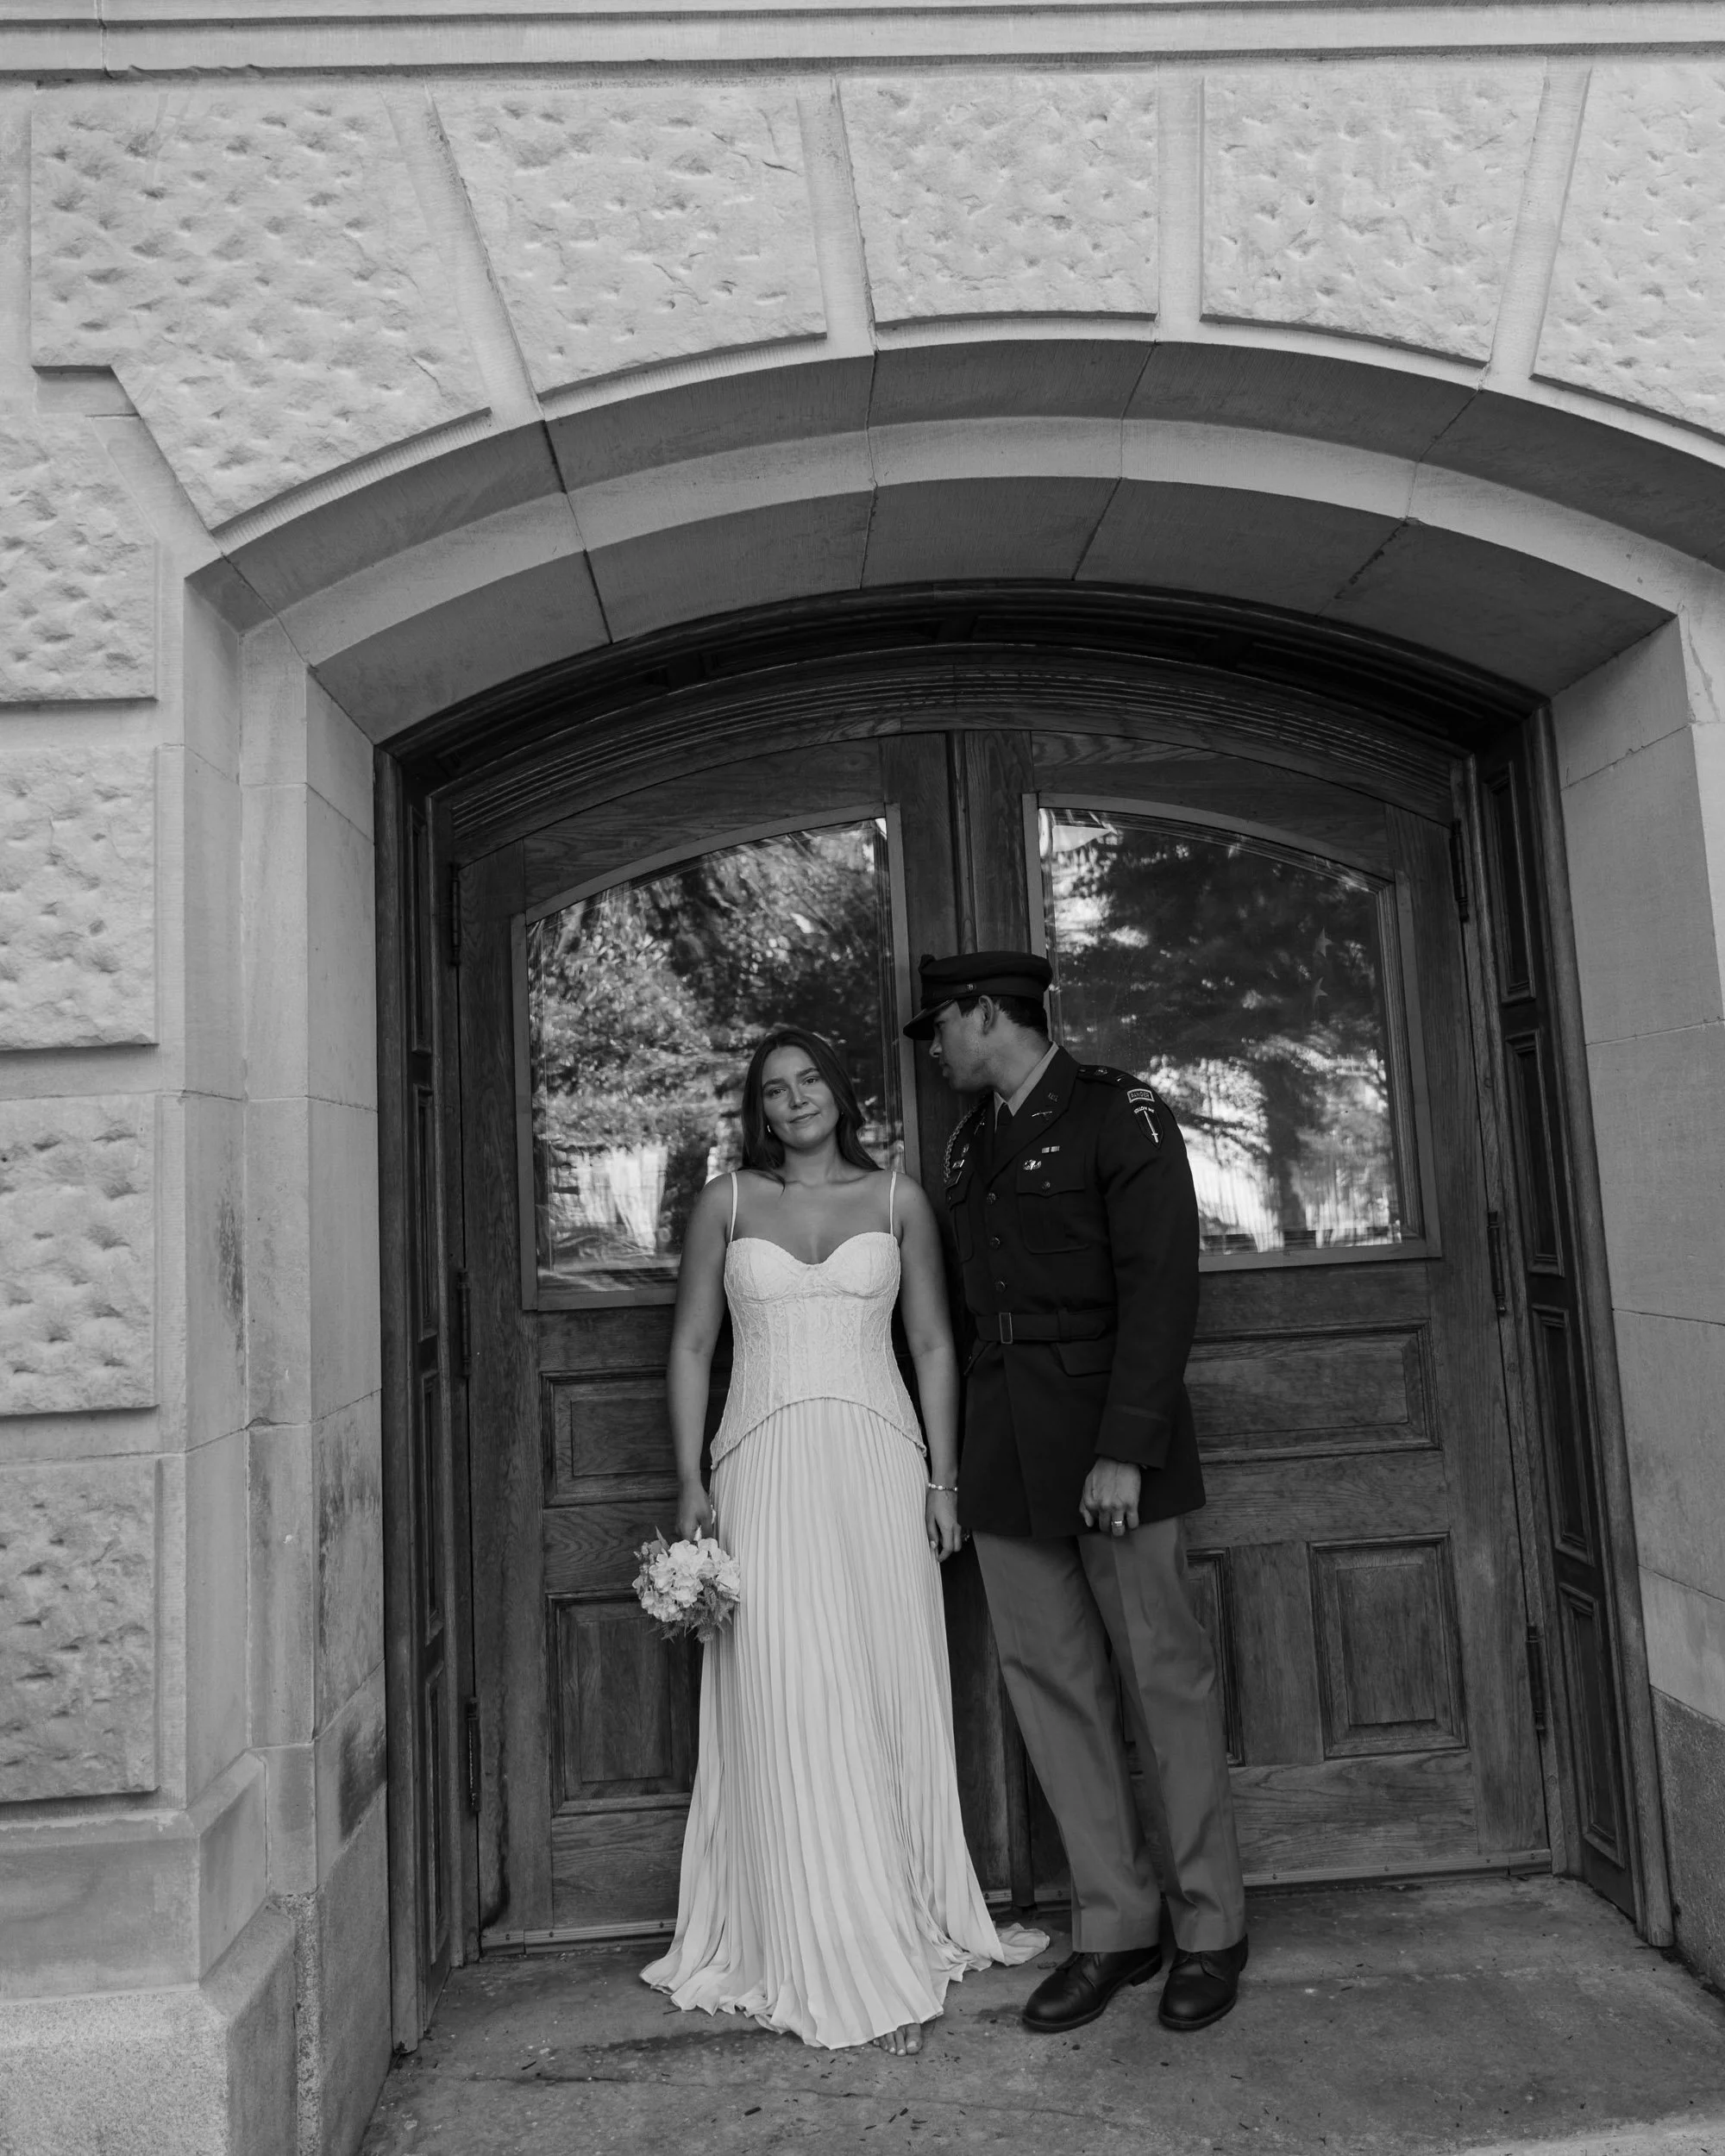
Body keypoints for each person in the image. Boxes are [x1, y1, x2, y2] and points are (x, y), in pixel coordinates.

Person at [642, 1026, 1044, 2054]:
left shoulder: (900, 1198)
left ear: (838, 1087)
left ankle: (890, 1915)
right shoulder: (726, 1202)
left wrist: (940, 1481)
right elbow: (691, 1341)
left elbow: (933, 1344)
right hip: (762, 1467)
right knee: (789, 1689)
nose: (794, 1099)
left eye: (809, 1078)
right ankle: (811, 1931)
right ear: (758, 1111)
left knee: (876, 1683)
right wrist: (689, 1477)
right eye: (773, 1091)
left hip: (877, 1464)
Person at [905, 950, 1249, 2036]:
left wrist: (1125, 1449)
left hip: (1109, 1440)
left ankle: (1209, 1925)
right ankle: (1114, 1922)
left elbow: (1162, 1286)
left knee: (1162, 1679)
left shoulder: (1120, 1115)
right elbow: (964, 1317)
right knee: (1051, 1688)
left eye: (938, 1026)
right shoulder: (969, 1143)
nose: (930, 1047)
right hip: (1009, 1442)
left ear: (983, 1015)